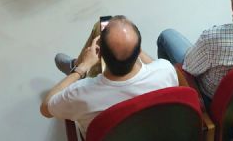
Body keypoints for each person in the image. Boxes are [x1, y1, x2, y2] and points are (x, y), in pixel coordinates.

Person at [41, 16, 178, 136]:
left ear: (99, 55)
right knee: (102, 24)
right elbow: (155, 67)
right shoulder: (165, 70)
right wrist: (133, 49)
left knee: (99, 25)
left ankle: (74, 67)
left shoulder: (80, 93)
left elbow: (46, 108)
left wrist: (82, 68)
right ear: (139, 52)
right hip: (152, 133)